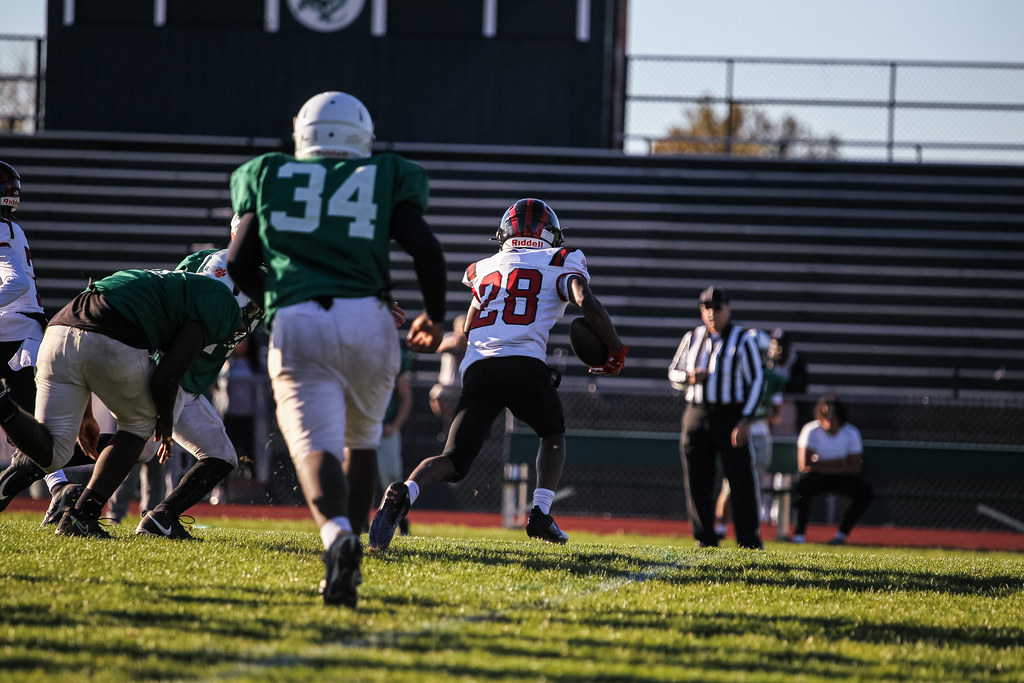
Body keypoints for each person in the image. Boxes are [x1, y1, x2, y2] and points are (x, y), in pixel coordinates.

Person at [227, 90, 448, 608]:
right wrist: (434, 318)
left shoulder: (270, 173)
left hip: (302, 318)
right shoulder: (384, 173)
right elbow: (427, 250)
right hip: (371, 318)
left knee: (314, 446)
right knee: (363, 442)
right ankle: (357, 547)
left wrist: (279, 302)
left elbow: (239, 263)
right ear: (361, 138)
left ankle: (336, 538)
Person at [368, 197, 628, 552]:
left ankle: (404, 491)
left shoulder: (484, 268)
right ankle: (540, 513)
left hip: (479, 369)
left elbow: (469, 329)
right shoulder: (561, 259)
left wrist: (434, 343)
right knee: (551, 433)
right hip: (524, 365)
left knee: (455, 459)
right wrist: (614, 349)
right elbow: (583, 298)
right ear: (549, 234)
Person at [0, 261, 246, 538]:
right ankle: (82, 516)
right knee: (139, 427)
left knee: (53, 453)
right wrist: (164, 421)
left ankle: (3, 406)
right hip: (110, 332)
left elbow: (89, 323)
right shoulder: (221, 302)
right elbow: (165, 376)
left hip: (60, 327)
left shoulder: (172, 285)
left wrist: (87, 414)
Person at [668, 286, 765, 549]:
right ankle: (705, 537)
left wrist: (745, 419)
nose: (712, 313)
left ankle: (748, 540)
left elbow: (757, 380)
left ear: (728, 309)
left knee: (740, 478)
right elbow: (673, 372)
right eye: (706, 308)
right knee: (697, 477)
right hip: (696, 412)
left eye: (717, 308)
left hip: (730, 414)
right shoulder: (692, 337)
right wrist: (689, 378)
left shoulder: (743, 339)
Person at [714, 328, 786, 535]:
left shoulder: (773, 378)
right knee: (730, 482)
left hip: (759, 431)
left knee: (754, 483)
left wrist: (755, 413)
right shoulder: (733, 373)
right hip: (737, 430)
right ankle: (720, 526)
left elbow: (776, 415)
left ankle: (749, 529)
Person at [792, 394, 873, 545]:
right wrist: (839, 463)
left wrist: (821, 463)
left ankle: (841, 535)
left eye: (833, 414)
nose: (829, 418)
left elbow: (855, 466)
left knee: (864, 492)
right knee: (801, 487)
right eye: (825, 414)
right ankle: (799, 536)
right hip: (817, 477)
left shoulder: (851, 433)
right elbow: (804, 465)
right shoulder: (810, 430)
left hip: (842, 477)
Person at [372, 339, 414, 534]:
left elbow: (406, 397)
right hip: (361, 424)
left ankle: (400, 520)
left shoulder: (396, 358)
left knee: (391, 481)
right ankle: (360, 521)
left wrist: (395, 425)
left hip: (384, 427)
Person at [428, 315, 467, 439]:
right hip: (448, 384)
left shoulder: (474, 342)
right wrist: (453, 343)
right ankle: (450, 423)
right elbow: (437, 346)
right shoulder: (449, 339)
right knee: (437, 394)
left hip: (464, 385)